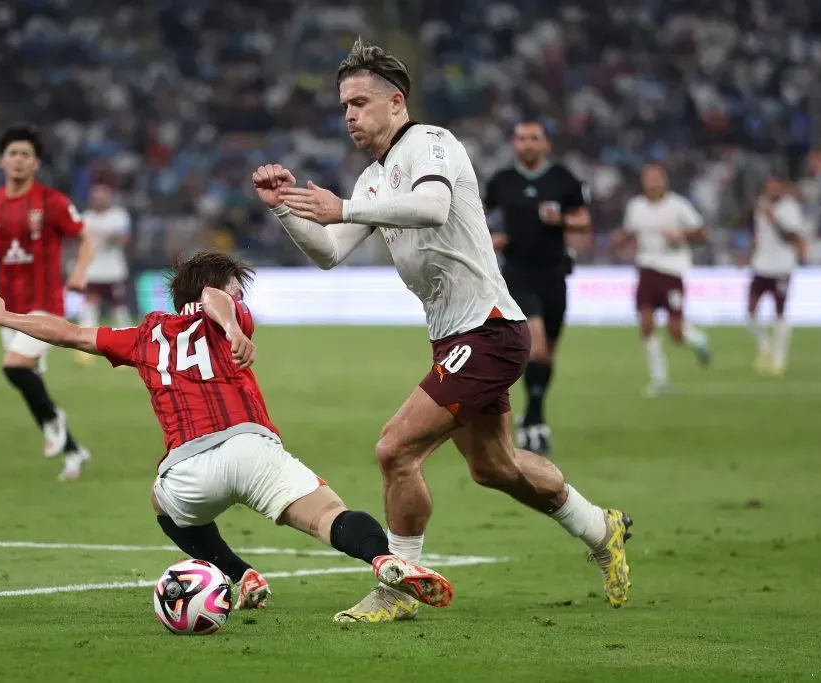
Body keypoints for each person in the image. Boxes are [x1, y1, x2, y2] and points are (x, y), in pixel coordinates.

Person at [254, 38, 632, 623]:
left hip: (488, 331)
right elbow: (329, 253)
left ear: (396, 102)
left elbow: (431, 207)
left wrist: (345, 210)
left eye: (358, 102)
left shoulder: (431, 143)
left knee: (394, 450)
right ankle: (599, 526)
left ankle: (396, 590)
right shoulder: (373, 179)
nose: (349, 115)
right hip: (460, 336)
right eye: (343, 107)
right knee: (494, 468)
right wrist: (285, 209)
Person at [0, 250, 454, 619]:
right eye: (239, 290)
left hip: (186, 469)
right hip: (250, 447)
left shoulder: (143, 333)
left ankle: (241, 575)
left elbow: (70, 333)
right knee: (329, 515)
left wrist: (2, 315)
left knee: (161, 504)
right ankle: (383, 558)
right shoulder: (225, 311)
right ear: (221, 293)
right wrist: (233, 326)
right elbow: (215, 298)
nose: (241, 300)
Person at [0, 123, 96, 481]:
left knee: (14, 367)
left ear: (36, 163)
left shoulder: (52, 202)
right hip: (6, 309)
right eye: (13, 153)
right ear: (1, 160)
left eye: (26, 154)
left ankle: (56, 421)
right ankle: (74, 451)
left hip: (45, 306)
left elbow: (85, 238)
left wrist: (80, 272)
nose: (19, 160)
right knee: (31, 385)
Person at [484, 121, 592, 455]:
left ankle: (533, 416)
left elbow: (584, 220)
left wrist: (561, 219)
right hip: (517, 274)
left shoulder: (562, 178)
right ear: (513, 144)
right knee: (538, 346)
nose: (527, 144)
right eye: (520, 139)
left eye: (533, 139)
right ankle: (534, 421)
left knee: (549, 353)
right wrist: (490, 240)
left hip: (554, 274)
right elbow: (476, 216)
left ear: (545, 143)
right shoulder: (502, 181)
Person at [613, 164, 712, 397]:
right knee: (646, 324)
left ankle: (697, 338)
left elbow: (703, 233)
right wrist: (621, 239)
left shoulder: (678, 206)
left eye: (658, 178)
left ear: (665, 181)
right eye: (650, 178)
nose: (654, 182)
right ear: (644, 182)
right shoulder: (636, 207)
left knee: (675, 332)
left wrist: (681, 235)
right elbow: (630, 232)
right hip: (646, 270)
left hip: (672, 272)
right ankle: (659, 380)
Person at [747, 176, 807, 375]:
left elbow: (792, 237)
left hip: (781, 267)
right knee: (750, 310)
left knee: (779, 313)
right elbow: (759, 234)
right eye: (768, 187)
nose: (771, 190)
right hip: (760, 265)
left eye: (775, 186)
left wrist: (773, 218)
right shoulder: (761, 205)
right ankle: (764, 346)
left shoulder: (790, 208)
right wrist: (751, 253)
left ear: (781, 188)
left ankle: (779, 357)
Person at [74, 183, 133, 366]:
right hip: (93, 271)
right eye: (96, 197)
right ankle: (85, 351)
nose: (99, 200)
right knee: (90, 308)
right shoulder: (87, 218)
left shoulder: (118, 216)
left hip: (114, 271)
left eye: (102, 197)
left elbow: (125, 238)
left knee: (120, 309)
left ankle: (129, 348)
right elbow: (80, 241)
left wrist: (113, 237)